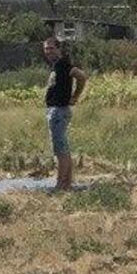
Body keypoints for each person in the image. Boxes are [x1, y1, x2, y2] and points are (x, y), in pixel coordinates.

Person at [41, 37, 88, 191]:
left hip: (59, 110)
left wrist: (75, 96)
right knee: (63, 149)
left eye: (51, 48)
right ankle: (66, 183)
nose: (48, 51)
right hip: (57, 110)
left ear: (58, 49)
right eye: (46, 48)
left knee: (60, 150)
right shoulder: (56, 66)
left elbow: (81, 76)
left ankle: (61, 184)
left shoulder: (62, 64)